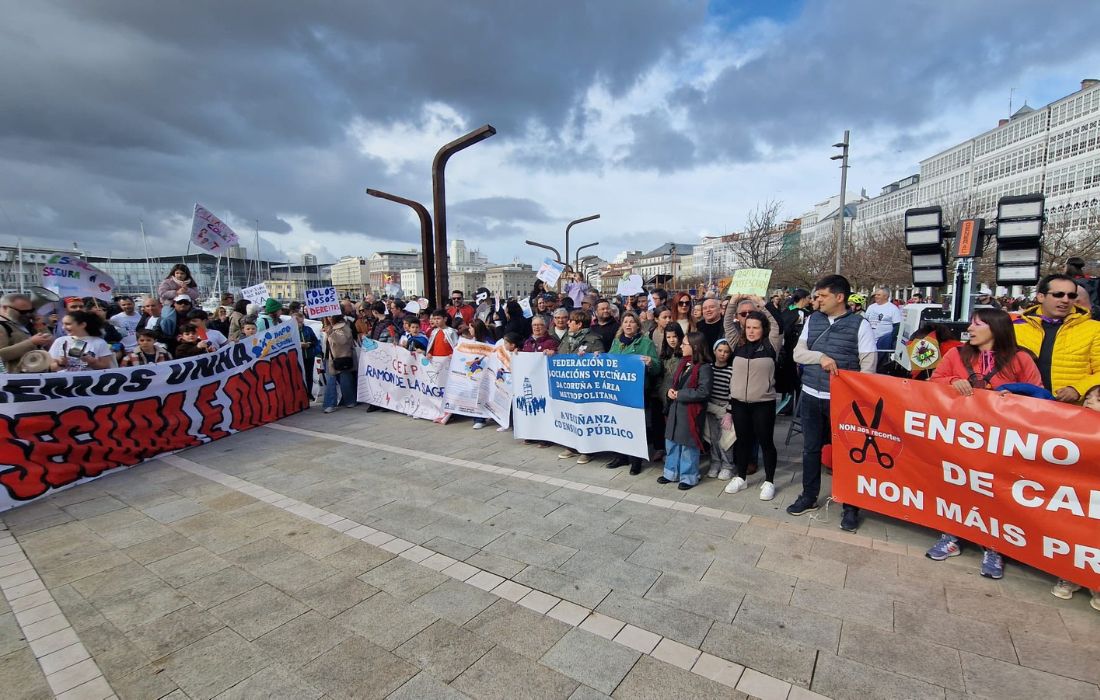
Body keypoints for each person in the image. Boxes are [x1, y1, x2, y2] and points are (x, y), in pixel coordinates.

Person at [926, 308, 1043, 579]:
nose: (970, 327)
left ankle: (994, 545)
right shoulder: (956, 354)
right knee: (957, 484)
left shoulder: (1021, 358)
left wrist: (1012, 397)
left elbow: (1038, 395)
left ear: (995, 327)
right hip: (961, 434)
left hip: (1001, 440)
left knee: (994, 490)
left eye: (977, 323)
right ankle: (952, 535)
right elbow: (935, 381)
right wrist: (954, 380)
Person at [787, 275, 877, 533]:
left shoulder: (860, 325)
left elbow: (868, 367)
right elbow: (798, 353)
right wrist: (821, 357)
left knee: (847, 454)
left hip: (843, 402)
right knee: (811, 450)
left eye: (822, 296)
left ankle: (850, 506)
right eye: (816, 296)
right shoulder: (812, 320)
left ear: (840, 297)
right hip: (811, 395)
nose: (817, 300)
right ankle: (808, 495)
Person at [1013, 273, 1100, 405]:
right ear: (1041, 297)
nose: (1065, 300)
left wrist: (1077, 389)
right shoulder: (1016, 327)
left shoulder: (1094, 329)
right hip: (1022, 407)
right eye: (1058, 294)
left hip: (1070, 412)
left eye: (1071, 295)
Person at [1050, 383, 1100, 610]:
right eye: (1088, 397)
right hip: (1074, 496)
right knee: (1072, 532)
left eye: (1097, 400)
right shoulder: (1071, 426)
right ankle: (1070, 575)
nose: (1089, 401)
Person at [724, 310, 781, 499]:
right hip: (740, 403)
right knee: (742, 441)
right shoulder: (737, 345)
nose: (751, 331)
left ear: (763, 329)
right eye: (748, 327)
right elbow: (727, 322)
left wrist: (761, 304)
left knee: (766, 442)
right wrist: (734, 301)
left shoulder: (771, 344)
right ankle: (741, 477)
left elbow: (775, 322)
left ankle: (769, 481)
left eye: (755, 328)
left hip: (763, 404)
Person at [607, 311, 661, 473]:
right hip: (617, 391)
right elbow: (608, 361)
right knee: (618, 423)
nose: (628, 325)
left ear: (638, 325)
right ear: (622, 325)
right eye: (625, 322)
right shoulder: (616, 342)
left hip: (637, 391)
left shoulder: (646, 343)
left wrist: (651, 362)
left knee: (635, 425)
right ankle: (621, 456)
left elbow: (657, 367)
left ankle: (635, 460)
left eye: (632, 322)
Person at [660, 331, 713, 490]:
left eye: (684, 344)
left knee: (688, 446)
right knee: (672, 443)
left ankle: (688, 477)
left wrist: (680, 394)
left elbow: (703, 391)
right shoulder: (683, 363)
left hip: (690, 412)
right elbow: (675, 383)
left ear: (695, 347)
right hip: (676, 410)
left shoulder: (704, 368)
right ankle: (671, 473)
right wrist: (670, 392)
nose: (681, 346)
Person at [0, 293, 53, 373]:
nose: (28, 315)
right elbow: (1, 355)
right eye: (22, 312)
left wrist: (41, 327)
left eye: (30, 311)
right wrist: (31, 342)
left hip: (38, 373)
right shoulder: (2, 326)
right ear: (5, 308)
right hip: (15, 377)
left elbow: (50, 346)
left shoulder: (28, 324)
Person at [705, 339, 735, 480]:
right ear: (714, 351)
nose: (723, 354)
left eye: (726, 351)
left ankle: (727, 466)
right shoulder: (709, 368)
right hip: (710, 408)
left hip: (725, 408)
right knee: (713, 438)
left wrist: (728, 411)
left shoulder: (731, 371)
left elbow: (733, 392)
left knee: (726, 440)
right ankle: (715, 463)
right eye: (720, 350)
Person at [48, 310, 115, 371]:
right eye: (63, 324)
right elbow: (50, 367)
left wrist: (92, 362)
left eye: (68, 324)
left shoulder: (99, 342)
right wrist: (61, 363)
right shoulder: (60, 341)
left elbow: (106, 367)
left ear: (83, 325)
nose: (63, 327)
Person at [321, 315, 357, 413]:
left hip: (342, 357)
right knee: (331, 381)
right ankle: (330, 404)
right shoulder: (328, 326)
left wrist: (331, 333)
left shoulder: (343, 326)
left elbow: (343, 341)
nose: (329, 318)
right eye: (327, 316)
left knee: (345, 381)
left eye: (331, 316)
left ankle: (349, 401)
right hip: (329, 358)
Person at [866, 288, 902, 371]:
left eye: (878, 295)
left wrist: (890, 339)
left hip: (883, 341)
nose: (876, 296)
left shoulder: (893, 309)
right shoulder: (871, 307)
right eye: (875, 294)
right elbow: (866, 321)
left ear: (885, 296)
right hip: (870, 340)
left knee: (880, 366)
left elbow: (897, 326)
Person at [292, 311, 322, 400]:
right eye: (298, 322)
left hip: (308, 356)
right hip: (297, 357)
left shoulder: (308, 329)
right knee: (298, 376)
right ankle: (300, 394)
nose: (300, 324)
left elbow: (315, 341)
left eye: (301, 321)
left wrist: (309, 344)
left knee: (309, 375)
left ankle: (309, 392)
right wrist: (298, 344)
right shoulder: (291, 331)